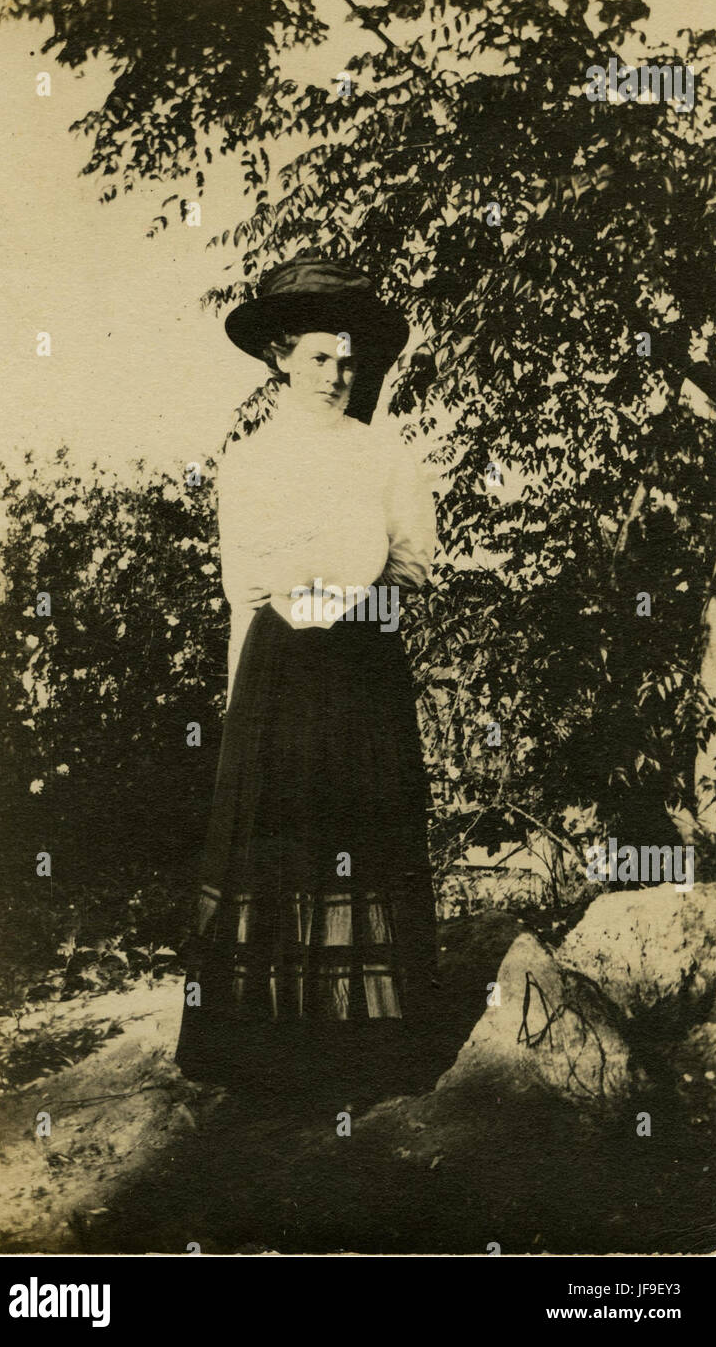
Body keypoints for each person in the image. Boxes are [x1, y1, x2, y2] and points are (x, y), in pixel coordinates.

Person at [174, 254, 439, 1105]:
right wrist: (239, 696)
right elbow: (245, 590)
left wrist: (363, 618)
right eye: (321, 356)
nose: (337, 373)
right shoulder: (249, 462)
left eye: (350, 359)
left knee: (363, 828)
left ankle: (372, 1050)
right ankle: (269, 1051)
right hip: (281, 671)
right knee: (281, 840)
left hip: (361, 665)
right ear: (281, 355)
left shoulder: (383, 454)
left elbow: (410, 567)